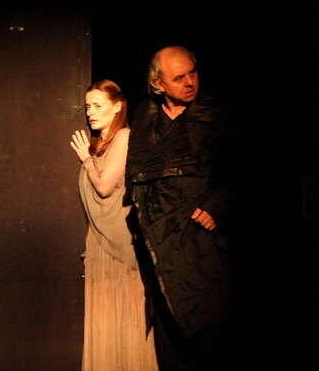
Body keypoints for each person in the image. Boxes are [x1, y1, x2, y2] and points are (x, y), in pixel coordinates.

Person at [126, 46, 235, 370]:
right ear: (158, 84)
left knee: (208, 334)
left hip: (201, 243)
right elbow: (137, 176)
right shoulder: (145, 116)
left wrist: (216, 206)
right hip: (159, 245)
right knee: (171, 343)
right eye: (179, 77)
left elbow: (243, 171)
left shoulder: (214, 116)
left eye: (193, 73)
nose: (190, 82)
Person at [70, 79, 158, 371]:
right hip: (100, 249)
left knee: (125, 327)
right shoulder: (97, 147)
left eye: (98, 106)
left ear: (117, 107)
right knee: (104, 328)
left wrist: (85, 159)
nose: (90, 113)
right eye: (87, 107)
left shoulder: (124, 137)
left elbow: (105, 187)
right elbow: (93, 207)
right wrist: (89, 246)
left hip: (123, 251)